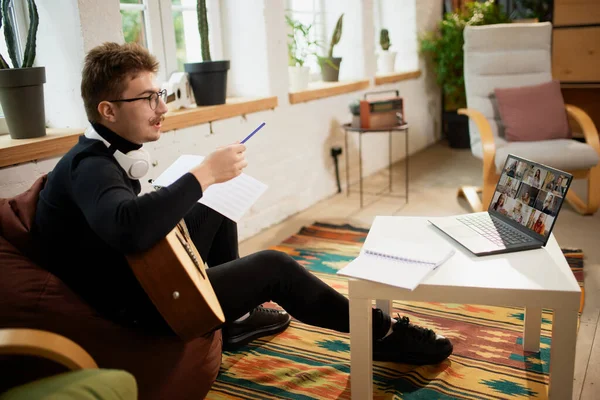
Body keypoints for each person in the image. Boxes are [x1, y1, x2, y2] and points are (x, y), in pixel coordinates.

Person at [32, 42, 452, 366]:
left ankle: (232, 321)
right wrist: (203, 174)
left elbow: (126, 225)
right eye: (147, 99)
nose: (161, 108)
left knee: (213, 199)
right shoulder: (90, 168)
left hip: (142, 273)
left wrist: (204, 183)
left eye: (160, 94)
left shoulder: (102, 154)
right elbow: (128, 228)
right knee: (276, 267)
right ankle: (380, 335)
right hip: (140, 305)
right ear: (107, 110)